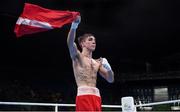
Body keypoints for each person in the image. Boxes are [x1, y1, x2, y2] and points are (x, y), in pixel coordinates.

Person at [67, 16, 114, 111]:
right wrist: (74, 25)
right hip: (84, 96)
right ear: (82, 43)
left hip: (96, 97)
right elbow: (70, 43)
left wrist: (109, 68)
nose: (94, 42)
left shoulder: (97, 63)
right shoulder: (78, 57)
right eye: (90, 40)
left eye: (94, 41)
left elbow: (110, 79)